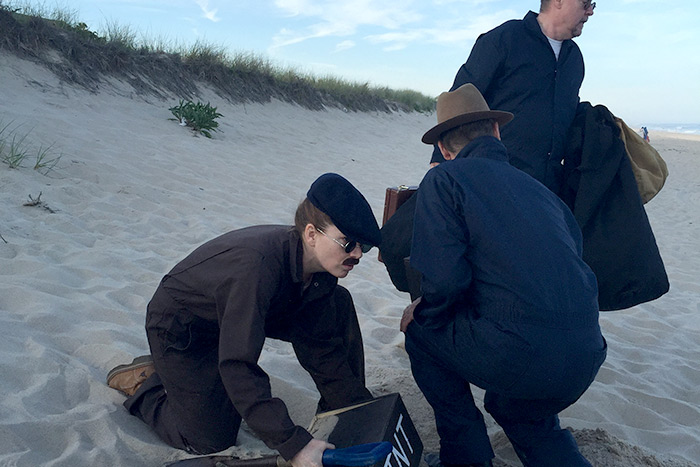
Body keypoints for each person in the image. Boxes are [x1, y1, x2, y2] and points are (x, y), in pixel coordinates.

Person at [106, 173, 382, 467]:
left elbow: (320, 346)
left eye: (363, 247)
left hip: (242, 314)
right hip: (183, 329)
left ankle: (348, 409)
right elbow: (237, 363)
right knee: (210, 439)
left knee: (337, 305)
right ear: (312, 234)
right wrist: (293, 444)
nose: (357, 254)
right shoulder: (256, 268)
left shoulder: (321, 271)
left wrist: (357, 416)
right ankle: (149, 384)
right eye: (348, 243)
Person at [401, 84, 607, 466]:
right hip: (587, 352)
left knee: (420, 332)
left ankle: (466, 459)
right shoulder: (542, 192)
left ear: (444, 151)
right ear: (497, 132)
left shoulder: (444, 180)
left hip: (521, 352)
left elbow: (445, 282)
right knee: (518, 407)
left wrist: (422, 311)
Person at [429, 0, 595, 194]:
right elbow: (461, 96)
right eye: (585, 4)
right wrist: (440, 158)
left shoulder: (574, 59)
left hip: (548, 188)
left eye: (592, 5)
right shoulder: (504, 39)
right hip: (495, 181)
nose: (590, 12)